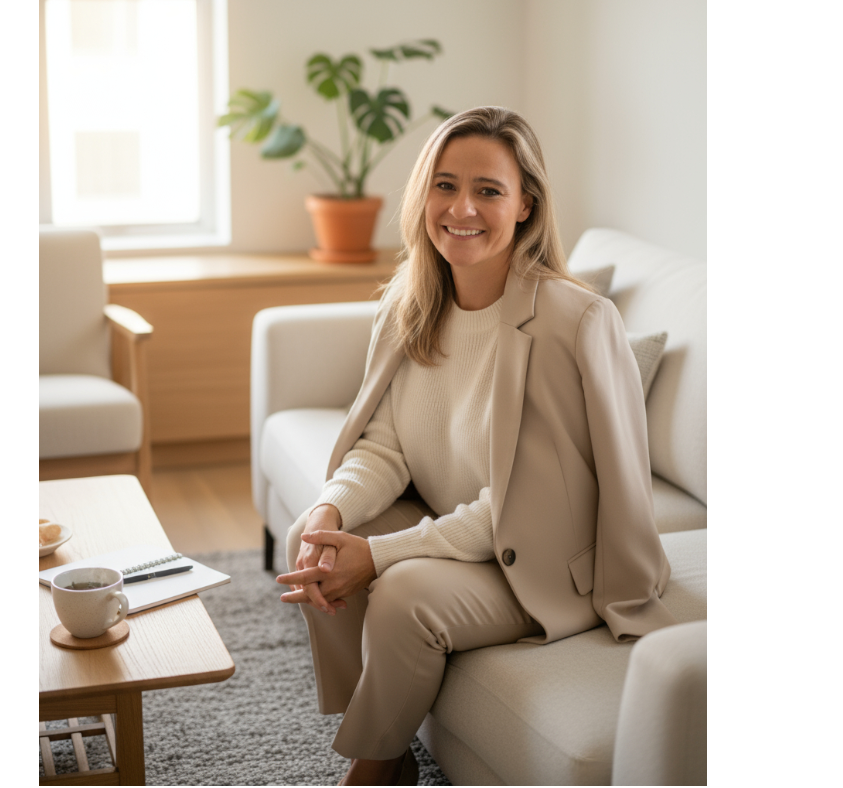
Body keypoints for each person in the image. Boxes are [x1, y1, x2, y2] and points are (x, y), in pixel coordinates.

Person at [276, 106, 676, 787]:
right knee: (309, 539)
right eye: (444, 184)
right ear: (422, 195)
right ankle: (389, 742)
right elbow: (386, 445)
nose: (462, 208)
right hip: (466, 526)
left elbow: (526, 511)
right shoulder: (413, 298)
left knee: (402, 596)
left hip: (548, 559)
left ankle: (370, 773)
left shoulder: (573, 322)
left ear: (526, 205)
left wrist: (380, 555)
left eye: (488, 190)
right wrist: (333, 511)